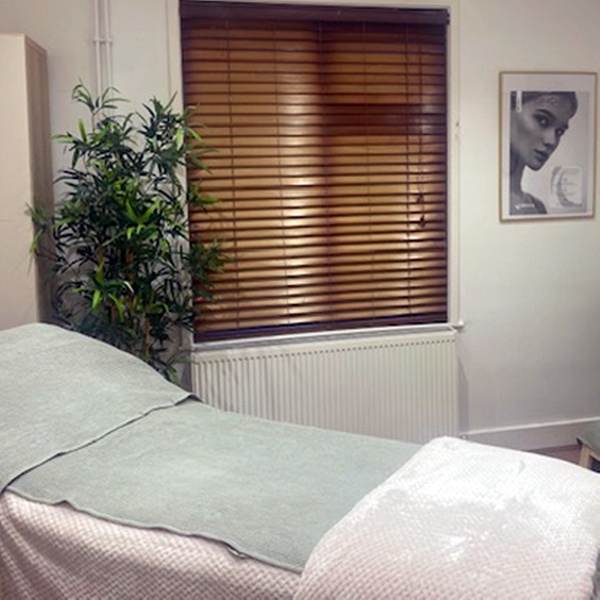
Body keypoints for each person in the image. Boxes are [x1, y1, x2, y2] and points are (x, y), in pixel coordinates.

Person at [509, 91, 578, 215]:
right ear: (509, 110)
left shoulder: (538, 208)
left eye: (559, 131)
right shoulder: (478, 194)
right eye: (543, 121)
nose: (552, 141)